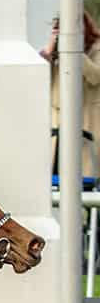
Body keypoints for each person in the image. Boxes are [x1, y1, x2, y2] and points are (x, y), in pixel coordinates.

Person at [41, 12, 100, 187]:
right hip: (58, 132)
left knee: (85, 188)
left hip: (86, 131)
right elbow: (37, 79)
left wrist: (74, 51)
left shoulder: (96, 49)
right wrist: (50, 51)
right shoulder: (55, 55)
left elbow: (95, 76)